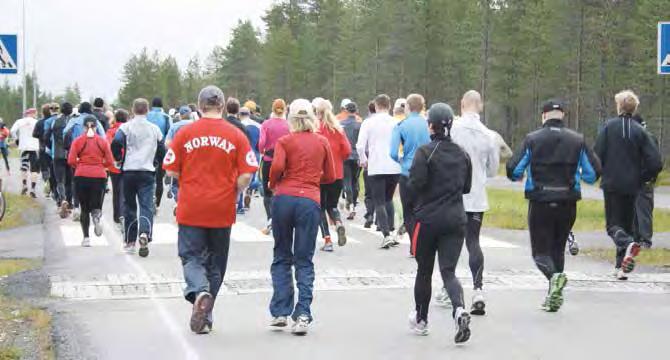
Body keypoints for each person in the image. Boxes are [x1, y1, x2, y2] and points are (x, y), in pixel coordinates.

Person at [163, 85, 258, 335]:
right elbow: (248, 173)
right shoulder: (235, 134)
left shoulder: (185, 133)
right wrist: (234, 189)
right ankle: (207, 313)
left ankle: (199, 292)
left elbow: (170, 169)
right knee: (216, 263)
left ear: (199, 104)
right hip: (222, 207)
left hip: (192, 205)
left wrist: (188, 174)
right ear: (223, 106)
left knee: (191, 256)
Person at [508, 99, 601, 311]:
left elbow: (513, 169)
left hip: (540, 200)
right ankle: (553, 296)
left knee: (540, 253)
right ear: (563, 116)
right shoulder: (578, 140)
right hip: (568, 201)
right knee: (558, 249)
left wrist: (520, 176)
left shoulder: (532, 139)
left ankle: (555, 279)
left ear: (543, 116)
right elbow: (592, 173)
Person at [268, 98, 336, 336]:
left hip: (284, 198)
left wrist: (273, 183)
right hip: (309, 199)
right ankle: (303, 313)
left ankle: (280, 310)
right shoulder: (322, 141)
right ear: (312, 118)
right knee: (304, 259)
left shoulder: (285, 141)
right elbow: (331, 175)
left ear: (291, 119)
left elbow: (276, 167)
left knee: (281, 255)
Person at [407, 103, 473, 343]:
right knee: (448, 271)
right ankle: (459, 309)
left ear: (431, 126)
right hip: (456, 219)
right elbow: (466, 187)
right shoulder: (462, 153)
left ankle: (422, 320)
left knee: (424, 271)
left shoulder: (425, 152)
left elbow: (415, 184)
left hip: (428, 220)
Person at [437, 90, 499, 315]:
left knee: (449, 243)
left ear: (461, 104)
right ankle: (478, 289)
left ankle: (448, 286)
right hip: (477, 196)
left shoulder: (453, 128)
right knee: (473, 242)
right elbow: (493, 170)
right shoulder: (489, 135)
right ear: (480, 106)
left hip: (453, 195)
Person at [594, 91, 663, 280]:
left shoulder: (608, 128)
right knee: (626, 223)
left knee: (613, 226)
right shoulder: (640, 131)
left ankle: (628, 243)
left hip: (612, 184)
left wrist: (596, 174)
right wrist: (643, 177)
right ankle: (620, 267)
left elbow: (596, 155)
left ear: (618, 106)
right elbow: (656, 162)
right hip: (633, 186)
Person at [112, 98, 164, 257]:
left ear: (132, 110)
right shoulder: (154, 129)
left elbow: (116, 142)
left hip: (128, 171)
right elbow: (162, 149)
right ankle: (145, 233)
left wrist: (118, 159)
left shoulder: (126, 127)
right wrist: (157, 162)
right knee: (146, 206)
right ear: (147, 110)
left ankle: (130, 242)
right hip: (147, 171)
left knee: (129, 207)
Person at [356, 94, 402, 249]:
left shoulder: (369, 122)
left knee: (379, 201)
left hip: (376, 165)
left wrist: (363, 160)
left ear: (375, 106)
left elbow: (360, 146)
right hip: (394, 165)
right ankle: (391, 230)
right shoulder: (396, 122)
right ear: (389, 106)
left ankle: (386, 235)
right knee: (388, 199)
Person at [390, 94, 430, 254]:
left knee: (408, 211)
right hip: (426, 172)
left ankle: (415, 246)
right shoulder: (428, 124)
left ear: (407, 107)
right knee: (422, 209)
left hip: (407, 171)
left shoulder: (401, 125)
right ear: (422, 107)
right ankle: (423, 244)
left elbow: (393, 152)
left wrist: (401, 160)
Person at [68, 115, 115, 247]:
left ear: (84, 127)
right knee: (96, 203)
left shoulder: (77, 141)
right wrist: (100, 165)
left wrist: (80, 165)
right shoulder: (102, 142)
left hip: (81, 175)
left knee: (84, 209)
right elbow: (110, 161)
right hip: (99, 176)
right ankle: (96, 215)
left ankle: (86, 238)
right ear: (96, 127)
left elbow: (71, 160)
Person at [314, 99, 352, 252]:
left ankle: (327, 240)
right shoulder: (338, 129)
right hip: (337, 174)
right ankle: (338, 222)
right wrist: (338, 159)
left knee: (320, 207)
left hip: (321, 174)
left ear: (317, 112)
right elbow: (347, 151)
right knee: (332, 205)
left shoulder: (315, 129)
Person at [64, 102, 106, 221]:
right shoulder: (94, 121)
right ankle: (94, 210)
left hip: (76, 153)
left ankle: (77, 207)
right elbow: (103, 137)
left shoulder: (74, 120)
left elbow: (65, 133)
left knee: (75, 181)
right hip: (93, 154)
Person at [258, 99, 290, 235]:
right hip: (284, 161)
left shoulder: (266, 124)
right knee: (282, 190)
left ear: (272, 109)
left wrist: (262, 150)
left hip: (269, 160)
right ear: (285, 110)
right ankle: (283, 220)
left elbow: (261, 143)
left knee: (268, 191)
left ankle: (270, 218)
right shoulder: (289, 125)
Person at [632, 114, 657, 249]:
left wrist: (647, 176)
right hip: (636, 179)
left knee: (643, 211)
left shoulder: (646, 138)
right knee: (635, 211)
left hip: (643, 180)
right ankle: (636, 239)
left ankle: (645, 240)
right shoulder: (642, 137)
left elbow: (655, 162)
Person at [46, 102, 74, 218]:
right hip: (70, 153)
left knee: (60, 180)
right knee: (70, 180)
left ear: (61, 110)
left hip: (57, 153)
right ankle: (70, 202)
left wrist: (51, 147)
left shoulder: (54, 122)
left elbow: (46, 137)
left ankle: (62, 200)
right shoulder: (73, 122)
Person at [165, 106, 194, 208]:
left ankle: (179, 202)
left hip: (179, 158)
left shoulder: (174, 126)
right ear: (190, 114)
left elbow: (167, 143)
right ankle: (189, 202)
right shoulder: (196, 125)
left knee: (175, 184)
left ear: (180, 116)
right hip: (193, 158)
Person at [146, 97, 171, 213]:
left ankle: (148, 199)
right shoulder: (166, 117)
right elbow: (169, 134)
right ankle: (157, 204)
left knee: (147, 176)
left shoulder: (146, 115)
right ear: (161, 105)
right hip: (161, 149)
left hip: (146, 149)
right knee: (159, 177)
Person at [11, 108, 40, 197]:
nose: (36, 115)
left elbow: (12, 131)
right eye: (35, 113)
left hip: (23, 147)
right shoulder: (36, 122)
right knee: (34, 170)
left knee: (24, 167)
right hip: (34, 148)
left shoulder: (19, 121)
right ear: (33, 113)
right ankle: (33, 189)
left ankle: (24, 185)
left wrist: (16, 140)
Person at [106, 109, 128, 228]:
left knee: (116, 190)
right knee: (126, 190)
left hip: (114, 164)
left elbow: (108, 146)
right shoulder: (129, 129)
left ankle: (117, 215)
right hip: (128, 163)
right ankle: (124, 213)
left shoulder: (110, 131)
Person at [341, 101, 362, 220]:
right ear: (356, 111)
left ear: (346, 111)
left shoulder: (341, 124)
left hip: (345, 156)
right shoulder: (360, 125)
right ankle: (353, 202)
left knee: (347, 180)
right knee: (355, 180)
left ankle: (350, 203)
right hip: (357, 155)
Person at [239, 106, 262, 213]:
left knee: (241, 176)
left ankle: (240, 200)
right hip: (255, 153)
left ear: (240, 114)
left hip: (244, 153)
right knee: (253, 178)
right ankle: (249, 190)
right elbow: (261, 142)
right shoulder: (258, 125)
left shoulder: (240, 125)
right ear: (249, 114)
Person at [33, 104, 54, 198]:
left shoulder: (39, 122)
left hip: (42, 147)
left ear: (42, 112)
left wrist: (41, 136)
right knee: (52, 168)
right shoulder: (54, 121)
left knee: (44, 168)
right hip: (52, 148)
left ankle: (47, 184)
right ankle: (53, 187)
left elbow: (34, 134)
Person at [361, 101, 376, 228]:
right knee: (382, 194)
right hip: (385, 162)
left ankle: (370, 214)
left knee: (369, 192)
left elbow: (362, 144)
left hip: (370, 161)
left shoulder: (367, 123)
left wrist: (363, 159)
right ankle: (381, 221)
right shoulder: (388, 122)